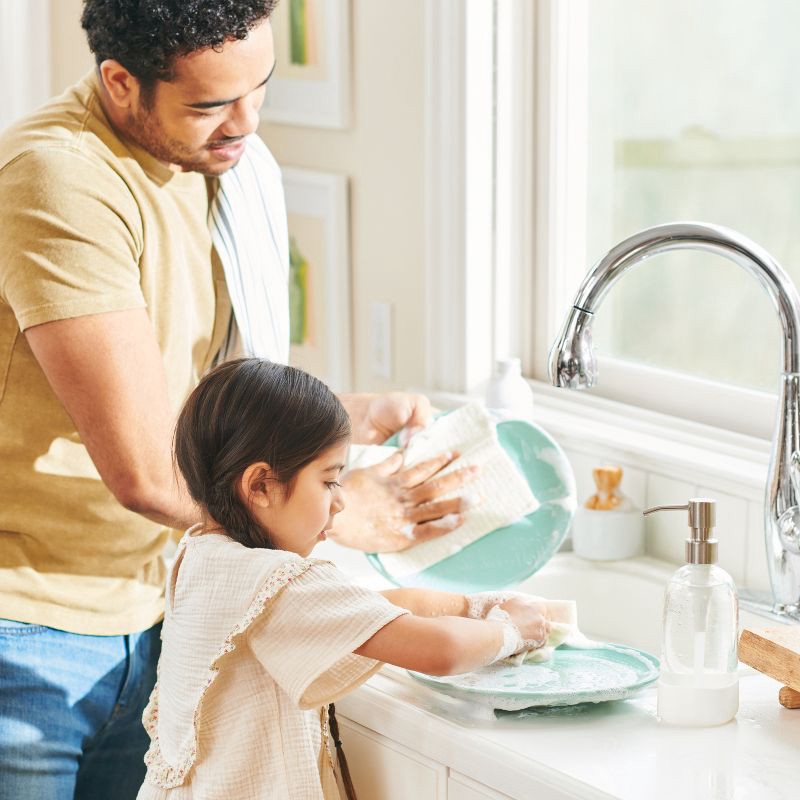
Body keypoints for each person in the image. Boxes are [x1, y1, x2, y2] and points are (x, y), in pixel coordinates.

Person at [0, 2, 475, 797]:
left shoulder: (214, 164)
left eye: (260, 89)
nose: (245, 126)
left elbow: (175, 400)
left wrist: (340, 419)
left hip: (157, 607)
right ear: (121, 83)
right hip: (28, 632)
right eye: (210, 104)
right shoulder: (62, 179)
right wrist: (337, 505)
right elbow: (151, 472)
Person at [136, 358, 550, 800]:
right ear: (259, 486)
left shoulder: (202, 553)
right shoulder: (279, 580)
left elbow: (368, 606)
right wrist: (510, 632)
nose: (340, 504)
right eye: (330, 481)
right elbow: (439, 650)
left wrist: (471, 606)